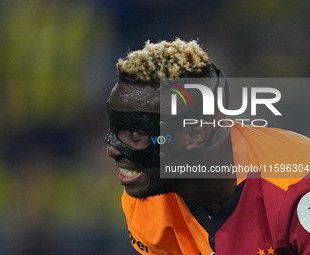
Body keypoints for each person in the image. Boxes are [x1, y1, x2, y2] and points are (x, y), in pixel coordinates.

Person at [105, 39, 310, 255]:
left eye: (136, 132)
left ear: (194, 135)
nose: (113, 149)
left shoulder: (298, 186)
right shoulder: (147, 206)